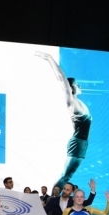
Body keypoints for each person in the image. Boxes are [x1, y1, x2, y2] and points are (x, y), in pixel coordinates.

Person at [35, 52, 92, 191]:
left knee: (68, 175)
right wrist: (50, 59)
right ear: (71, 87)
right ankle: (50, 201)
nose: (80, 86)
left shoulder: (80, 103)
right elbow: (61, 79)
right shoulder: (71, 102)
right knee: (65, 176)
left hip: (82, 143)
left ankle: (53, 199)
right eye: (77, 84)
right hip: (78, 142)